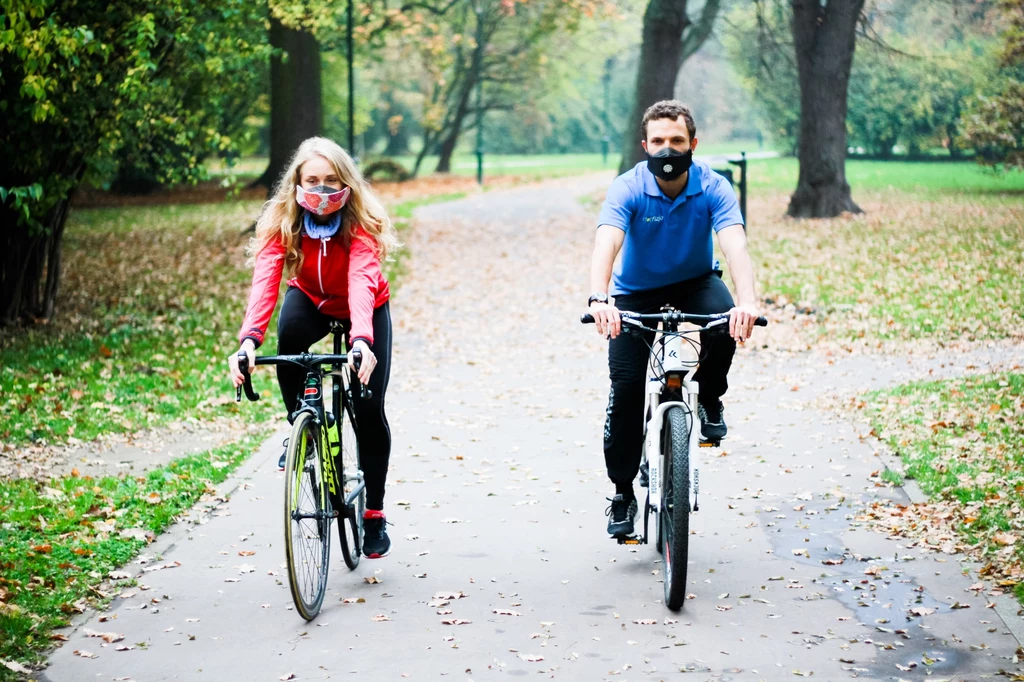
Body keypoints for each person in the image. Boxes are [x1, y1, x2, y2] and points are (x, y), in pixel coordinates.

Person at [587, 100, 761, 539]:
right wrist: (599, 298)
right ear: (645, 145)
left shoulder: (714, 187)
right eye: (659, 142)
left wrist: (748, 301)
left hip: (696, 281)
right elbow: (607, 242)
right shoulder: (627, 187)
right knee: (626, 389)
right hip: (633, 293)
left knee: (724, 328)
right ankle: (623, 493)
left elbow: (734, 245)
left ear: (693, 145)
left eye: (677, 141)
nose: (668, 150)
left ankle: (711, 397)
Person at [228, 137, 399, 558]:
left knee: (370, 405)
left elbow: (361, 278)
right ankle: (299, 424)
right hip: (311, 298)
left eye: (330, 181)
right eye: (312, 181)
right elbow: (265, 282)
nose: (321, 191)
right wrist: (248, 342)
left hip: (365, 308)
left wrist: (361, 340)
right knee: (289, 342)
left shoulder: (361, 222)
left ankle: (373, 514)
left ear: (345, 182)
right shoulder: (283, 220)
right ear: (297, 184)